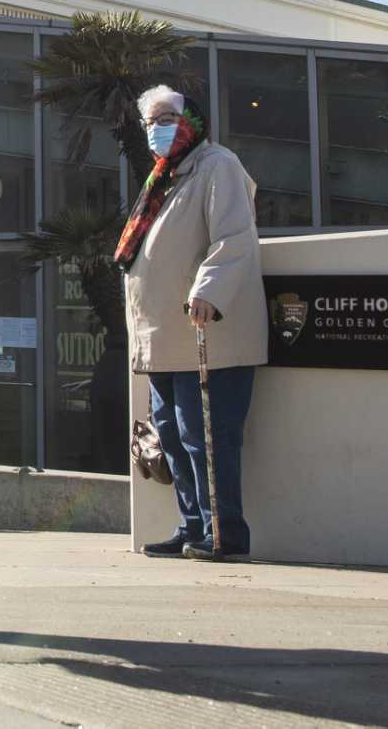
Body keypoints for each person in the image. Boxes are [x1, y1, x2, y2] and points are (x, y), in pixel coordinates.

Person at [122, 85, 265, 562]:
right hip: (163, 339)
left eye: (166, 119)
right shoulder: (164, 178)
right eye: (149, 123)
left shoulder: (217, 165)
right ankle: (192, 527)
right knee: (173, 438)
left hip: (207, 335)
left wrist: (208, 290)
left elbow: (234, 237)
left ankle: (224, 533)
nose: (156, 131)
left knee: (205, 437)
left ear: (191, 121)